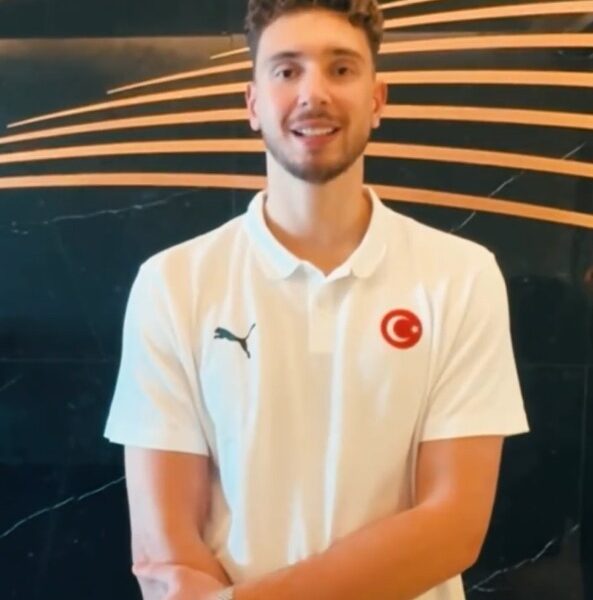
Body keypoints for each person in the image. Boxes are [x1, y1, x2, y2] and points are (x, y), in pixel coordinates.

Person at [104, 1, 530, 599]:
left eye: (341, 69)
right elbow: (163, 548)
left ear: (377, 99)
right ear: (253, 103)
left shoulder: (460, 276)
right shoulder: (172, 283)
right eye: (286, 70)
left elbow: (452, 526)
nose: (314, 93)